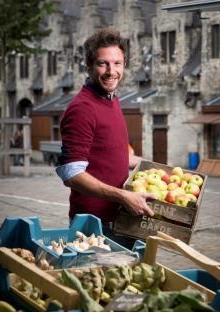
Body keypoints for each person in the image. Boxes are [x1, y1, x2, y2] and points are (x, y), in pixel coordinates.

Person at [56, 28, 156, 245]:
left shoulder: (112, 100)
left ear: (124, 64)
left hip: (120, 220)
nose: (112, 71)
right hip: (94, 228)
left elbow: (111, 155)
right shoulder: (82, 108)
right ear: (89, 66)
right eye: (103, 63)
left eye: (117, 63)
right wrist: (123, 196)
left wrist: (155, 168)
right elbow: (71, 173)